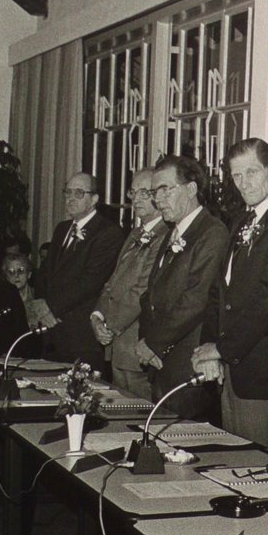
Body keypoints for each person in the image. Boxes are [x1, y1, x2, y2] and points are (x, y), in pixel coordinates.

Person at [192, 138, 268, 459]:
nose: (243, 183)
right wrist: (209, 350)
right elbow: (219, 291)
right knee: (233, 463)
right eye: (236, 176)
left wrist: (221, 348)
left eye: (251, 172)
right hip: (232, 367)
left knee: (260, 469)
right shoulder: (242, 221)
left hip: (263, 370)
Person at [137, 155, 228, 420]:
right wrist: (146, 340)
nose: (158, 199)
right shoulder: (171, 233)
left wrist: (154, 343)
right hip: (162, 361)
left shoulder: (212, 233)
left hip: (188, 362)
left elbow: (196, 299)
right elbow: (151, 293)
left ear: (191, 189)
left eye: (165, 189)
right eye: (155, 192)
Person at [35, 172, 125, 367]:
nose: (70, 198)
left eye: (78, 193)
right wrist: (39, 301)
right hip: (51, 330)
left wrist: (51, 307)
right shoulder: (62, 229)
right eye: (67, 192)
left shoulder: (108, 232)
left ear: (94, 199)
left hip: (81, 335)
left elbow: (91, 281)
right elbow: (45, 271)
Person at [92, 168, 167, 397]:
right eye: (133, 193)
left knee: (139, 418)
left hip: (136, 346)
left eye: (145, 193)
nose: (136, 199)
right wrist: (97, 316)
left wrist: (110, 325)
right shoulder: (134, 234)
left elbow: (141, 290)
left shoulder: (165, 235)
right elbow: (112, 281)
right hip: (117, 347)